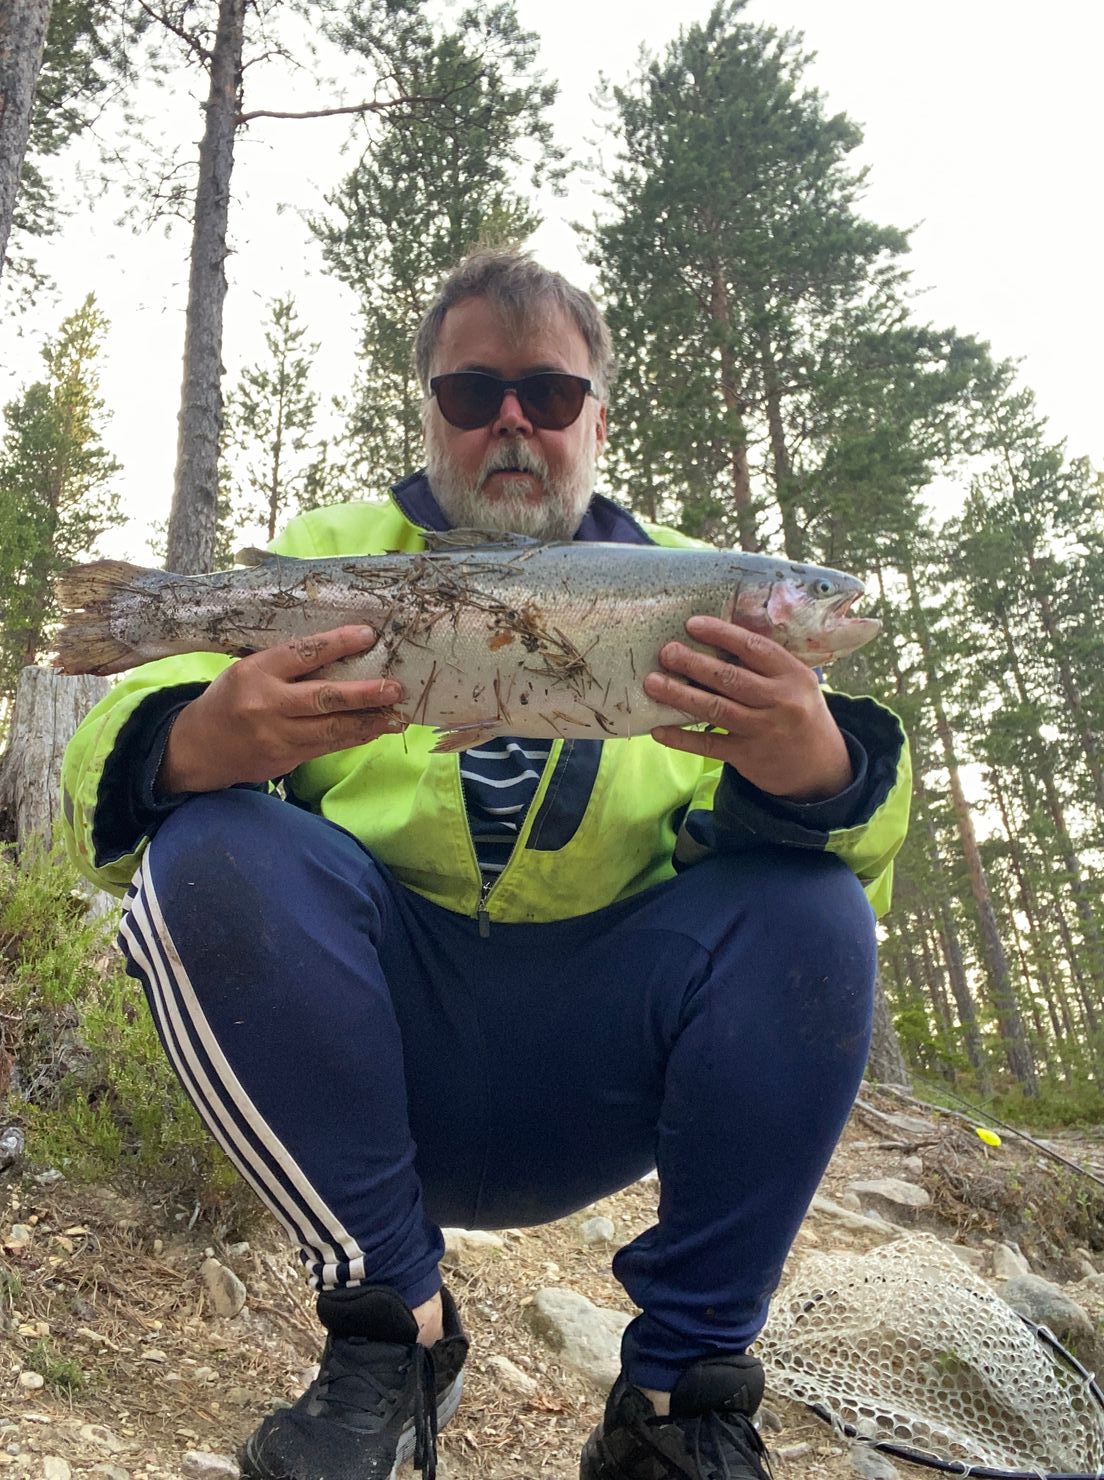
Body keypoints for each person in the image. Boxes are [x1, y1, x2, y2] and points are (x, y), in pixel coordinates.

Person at [61, 249, 911, 1480]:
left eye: (549, 394)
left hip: (603, 1065)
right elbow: (99, 758)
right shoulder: (330, 553)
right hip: (368, 1053)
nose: (513, 421)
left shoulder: (702, 593)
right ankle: (391, 1335)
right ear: (431, 414)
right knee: (210, 842)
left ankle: (680, 1401)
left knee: (817, 908)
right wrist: (193, 741)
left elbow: (852, 879)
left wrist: (820, 768)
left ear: (597, 419)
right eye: (474, 393)